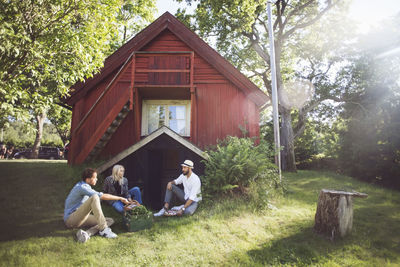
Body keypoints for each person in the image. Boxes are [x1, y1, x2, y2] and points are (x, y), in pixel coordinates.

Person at [64, 168, 130, 243]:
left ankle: (86, 234)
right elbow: (101, 196)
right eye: (95, 177)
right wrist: (120, 198)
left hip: (80, 217)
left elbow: (101, 196)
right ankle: (104, 229)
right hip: (71, 220)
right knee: (95, 197)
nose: (97, 179)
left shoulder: (85, 186)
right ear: (88, 179)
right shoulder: (82, 187)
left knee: (109, 220)